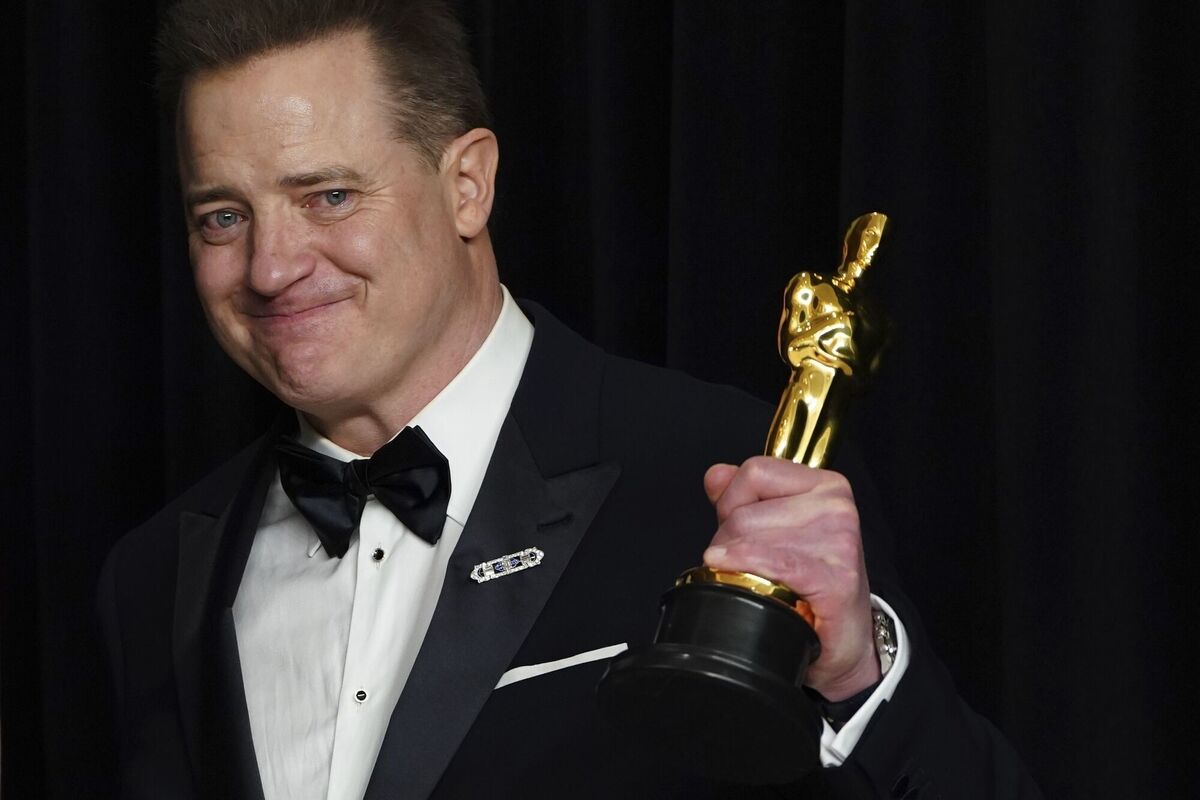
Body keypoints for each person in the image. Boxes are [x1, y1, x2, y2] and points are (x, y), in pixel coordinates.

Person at [99, 1, 1041, 797]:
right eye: (222, 216)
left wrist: (859, 682)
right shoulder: (150, 581)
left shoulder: (728, 479)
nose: (270, 267)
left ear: (468, 184)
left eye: (330, 196)